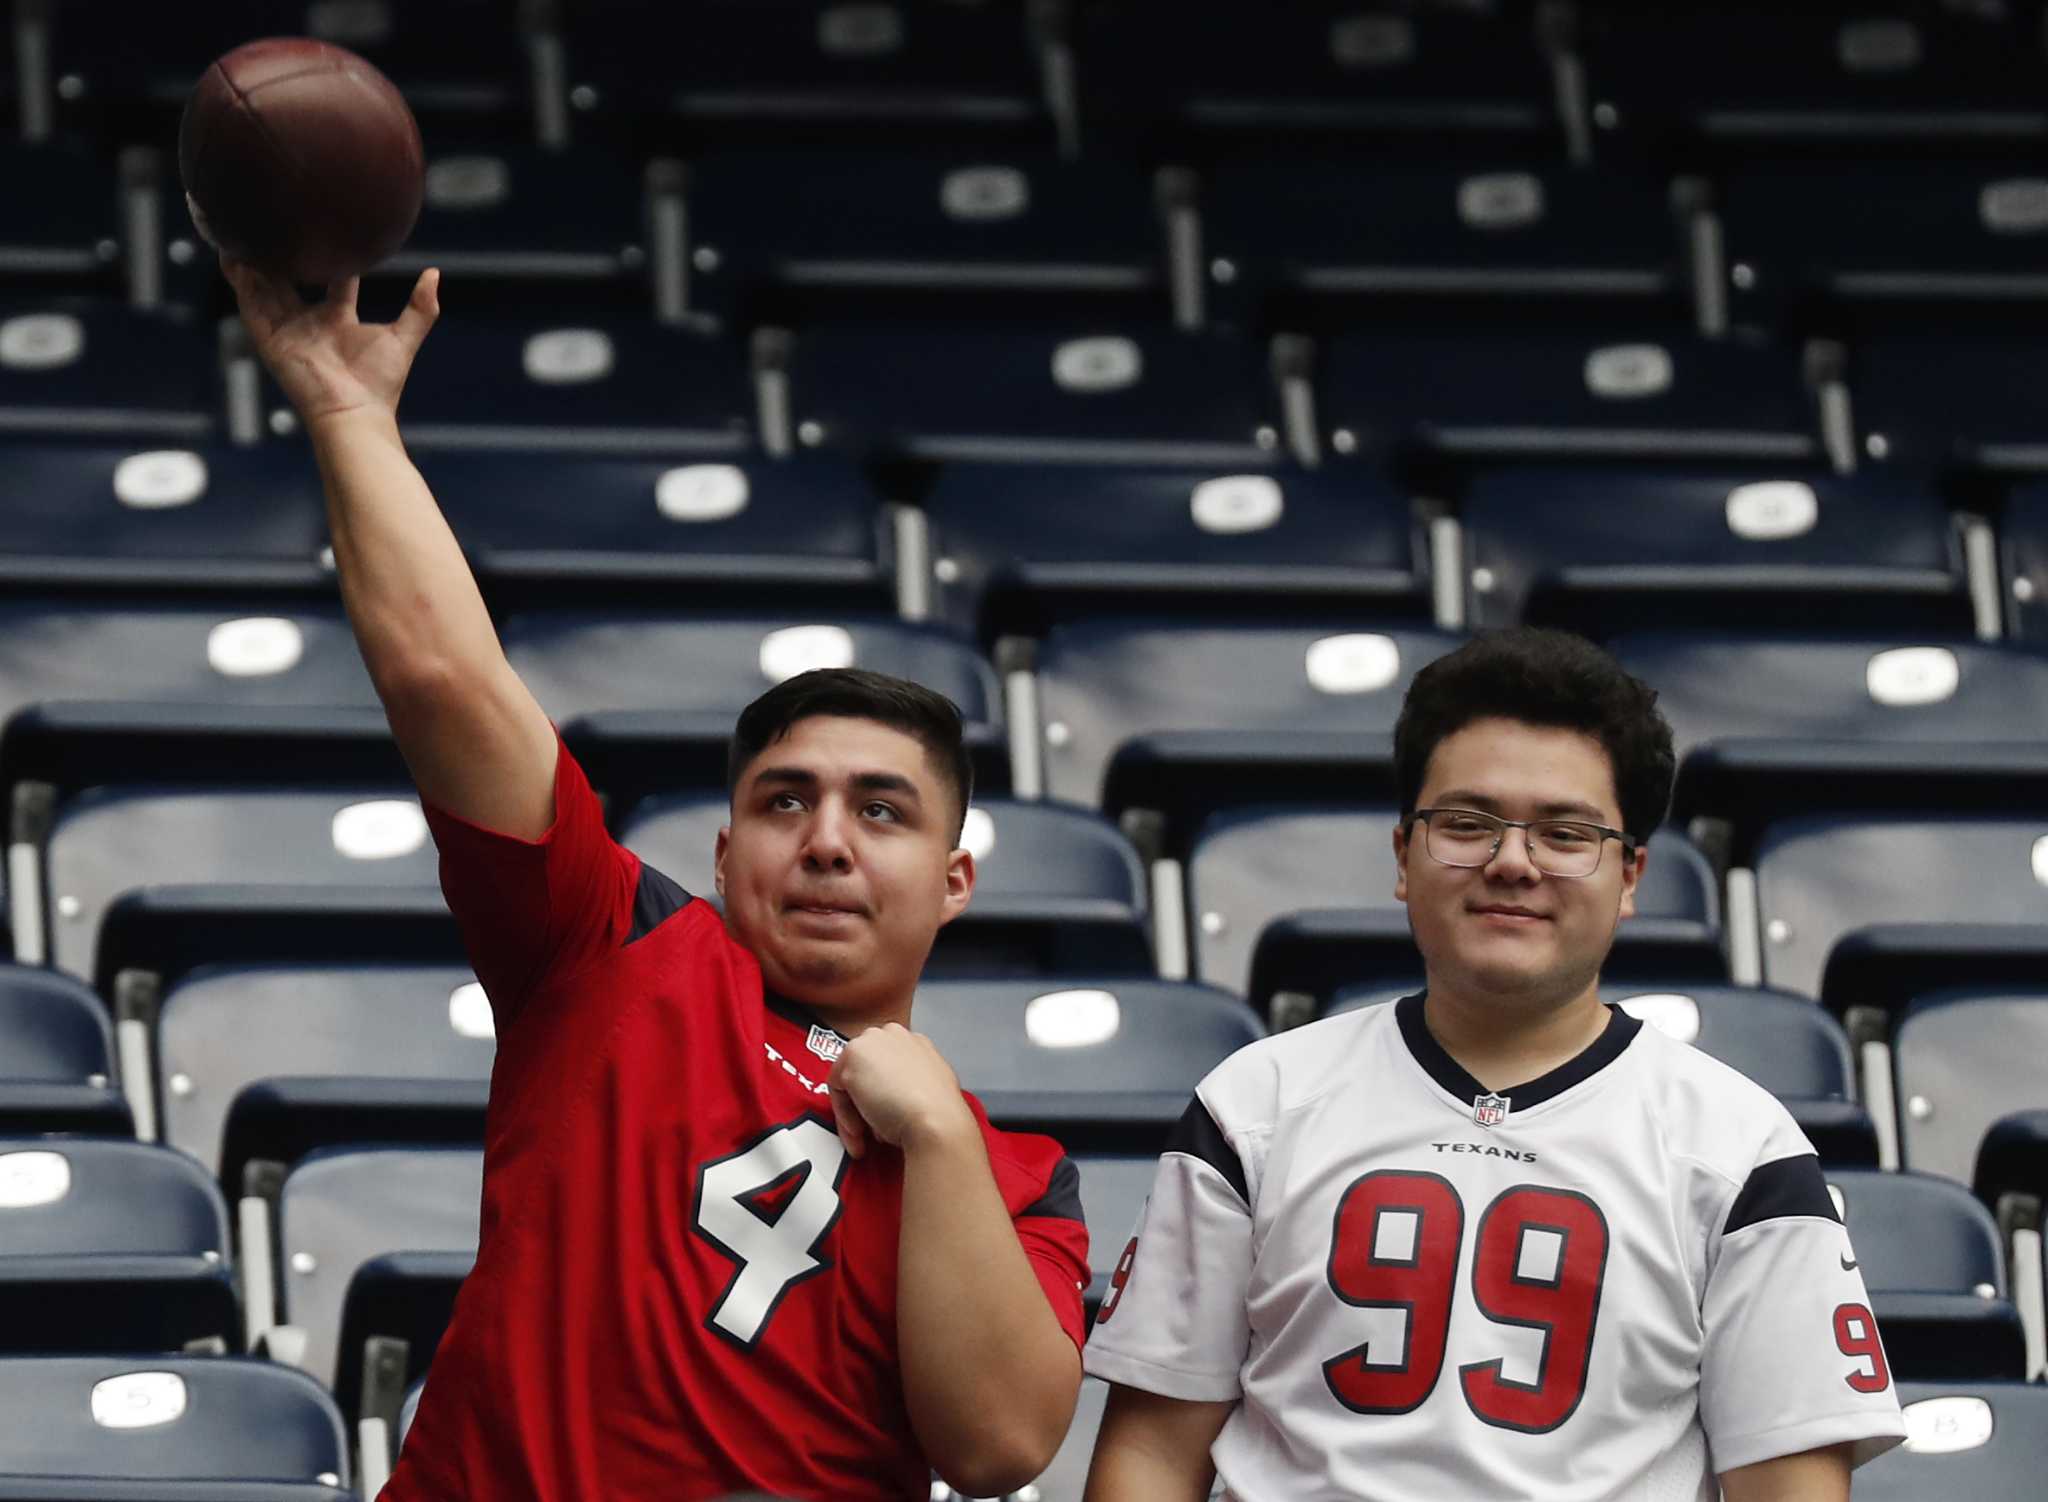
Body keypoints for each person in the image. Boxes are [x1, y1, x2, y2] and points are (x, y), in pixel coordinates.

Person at [219, 260, 1088, 1502]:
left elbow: (997, 1447)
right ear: (725, 859)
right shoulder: (609, 942)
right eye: (784, 801)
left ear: (954, 878)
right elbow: (443, 679)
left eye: (880, 810)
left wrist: (938, 1127)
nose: (829, 840)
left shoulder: (1022, 1179)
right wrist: (350, 417)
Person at [1080, 628, 1906, 1502]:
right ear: (1404, 856)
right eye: (1468, 824)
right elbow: (1152, 1456)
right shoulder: (1257, 1104)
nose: (1513, 862)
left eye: (1565, 832)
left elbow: (1790, 1485)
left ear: (1630, 875)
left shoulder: (1739, 1148)